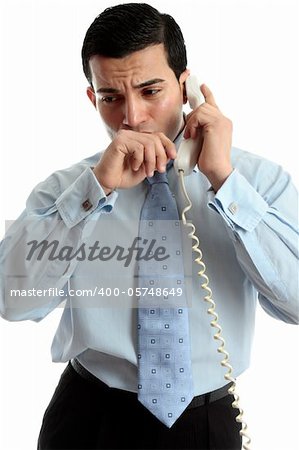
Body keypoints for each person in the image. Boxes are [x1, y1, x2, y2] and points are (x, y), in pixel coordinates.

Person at [0, 3, 298, 449]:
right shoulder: (65, 191)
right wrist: (94, 192)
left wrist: (224, 181)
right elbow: (13, 301)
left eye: (150, 90)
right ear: (92, 98)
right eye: (111, 98)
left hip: (206, 422)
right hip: (87, 417)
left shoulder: (256, 183)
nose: (132, 117)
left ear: (186, 87)